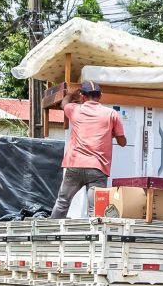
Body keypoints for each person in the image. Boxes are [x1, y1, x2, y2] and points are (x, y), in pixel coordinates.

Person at [51, 81, 127, 219]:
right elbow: (122, 142)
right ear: (100, 96)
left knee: (62, 202)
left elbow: (64, 103)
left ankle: (48, 235)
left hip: (75, 165)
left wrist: (70, 94)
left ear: (83, 96)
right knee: (96, 209)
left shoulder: (75, 109)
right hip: (97, 168)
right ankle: (97, 239)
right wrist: (113, 133)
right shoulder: (111, 114)